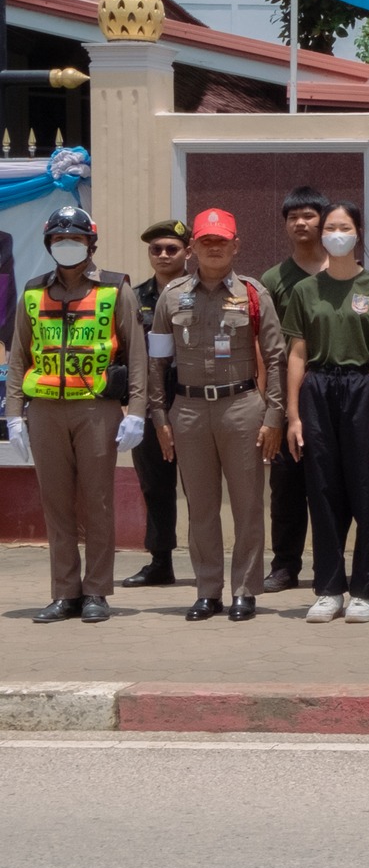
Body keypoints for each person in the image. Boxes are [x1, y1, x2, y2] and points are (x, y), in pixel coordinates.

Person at [141, 209, 285, 624]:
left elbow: (276, 358)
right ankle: (207, 590)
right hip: (187, 409)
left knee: (246, 504)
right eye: (206, 241)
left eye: (222, 240)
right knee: (200, 506)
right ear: (193, 248)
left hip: (241, 406)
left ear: (236, 245)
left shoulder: (254, 293)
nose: (214, 247)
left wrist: (275, 414)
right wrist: (160, 416)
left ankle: (244, 590)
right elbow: (156, 363)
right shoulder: (171, 297)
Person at [11, 206, 147, 624]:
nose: (66, 245)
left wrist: (136, 411)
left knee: (98, 501)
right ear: (49, 245)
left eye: (74, 238)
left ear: (90, 243)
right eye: (58, 239)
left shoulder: (114, 289)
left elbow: (137, 355)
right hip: (46, 410)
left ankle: (96, 592)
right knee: (56, 504)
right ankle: (64, 592)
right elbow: (19, 355)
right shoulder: (33, 292)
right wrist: (15, 413)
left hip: (97, 409)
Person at [283, 201, 369, 623]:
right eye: (330, 226)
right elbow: (296, 353)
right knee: (323, 490)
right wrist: (294, 415)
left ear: (359, 232)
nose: (336, 233)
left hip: (363, 388)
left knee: (367, 489)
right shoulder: (305, 290)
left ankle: (365, 589)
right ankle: (329, 588)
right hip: (317, 389)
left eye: (344, 226)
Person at [259, 186, 327, 593]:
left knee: (330, 486)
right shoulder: (273, 279)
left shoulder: (342, 272)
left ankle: (329, 564)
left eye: (309, 215)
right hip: (287, 394)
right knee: (286, 487)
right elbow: (264, 345)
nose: (301, 223)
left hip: (335, 391)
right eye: (293, 217)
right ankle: (285, 565)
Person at [122, 218, 190, 589]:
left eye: (172, 249)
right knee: (155, 484)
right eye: (156, 249)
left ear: (187, 253)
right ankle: (160, 561)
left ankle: (207, 561)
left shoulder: (201, 291)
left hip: (193, 396)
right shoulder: (134, 297)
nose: (163, 255)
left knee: (201, 485)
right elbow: (122, 351)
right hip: (149, 399)